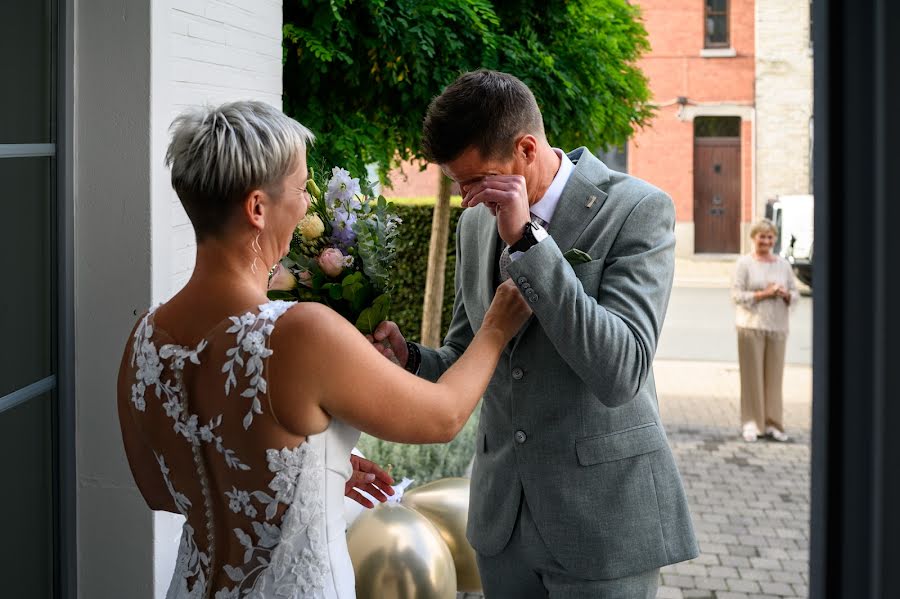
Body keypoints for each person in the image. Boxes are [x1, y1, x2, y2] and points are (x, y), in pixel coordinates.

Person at [116, 100, 531, 598]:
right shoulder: (299, 332)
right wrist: (495, 329)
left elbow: (160, 490)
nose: (306, 205)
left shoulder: (143, 340)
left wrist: (311, 478)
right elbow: (442, 418)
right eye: (299, 188)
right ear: (256, 208)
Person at [372, 70, 698, 598]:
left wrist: (528, 245)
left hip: (602, 524)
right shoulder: (475, 225)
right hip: (503, 525)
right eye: (458, 183)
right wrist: (409, 357)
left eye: (476, 180)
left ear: (526, 148)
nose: (467, 199)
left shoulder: (637, 210)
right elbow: (466, 350)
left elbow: (621, 372)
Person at [731, 219, 799, 443]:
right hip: (751, 327)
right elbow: (737, 296)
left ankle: (773, 424)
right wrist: (764, 294)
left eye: (770, 237)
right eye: (762, 236)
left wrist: (785, 294)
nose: (766, 241)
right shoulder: (744, 264)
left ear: (775, 240)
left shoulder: (783, 265)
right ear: (753, 238)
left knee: (774, 378)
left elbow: (795, 293)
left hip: (777, 327)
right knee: (752, 377)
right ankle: (752, 423)